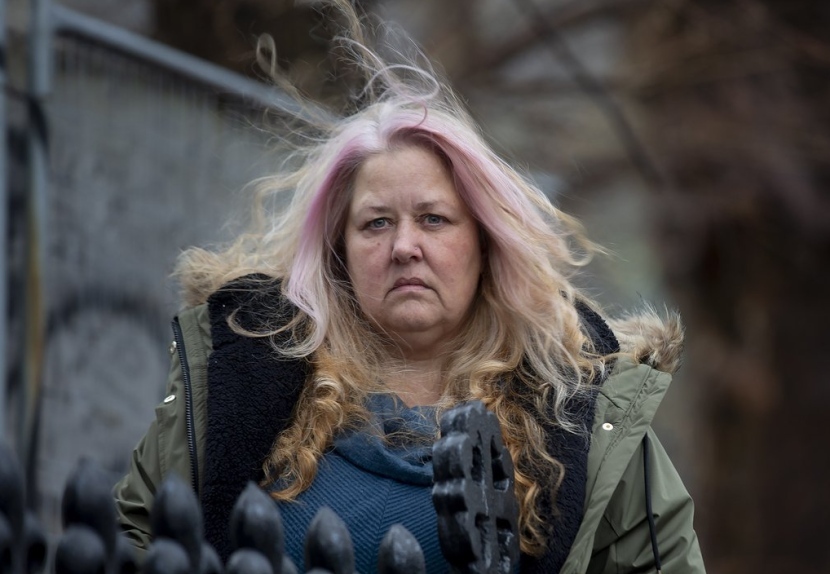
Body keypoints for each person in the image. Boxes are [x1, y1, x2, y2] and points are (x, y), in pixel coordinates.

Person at [113, 4, 705, 573]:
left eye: (433, 219)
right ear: (337, 250)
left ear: (486, 243)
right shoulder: (241, 375)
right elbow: (129, 540)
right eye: (376, 223)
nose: (404, 246)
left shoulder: (580, 408)